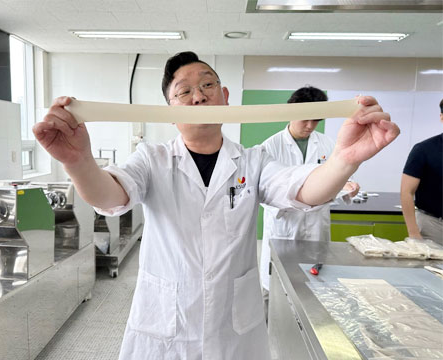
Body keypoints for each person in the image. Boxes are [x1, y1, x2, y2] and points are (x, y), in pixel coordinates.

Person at [33, 51, 399, 360]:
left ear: (224, 96)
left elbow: (303, 189)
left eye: (208, 86)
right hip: (165, 324)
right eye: (185, 91)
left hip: (233, 325)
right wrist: (79, 162)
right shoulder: (152, 159)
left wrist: (344, 160)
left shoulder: (252, 162)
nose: (199, 97)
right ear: (170, 109)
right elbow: (111, 197)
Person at [258, 86, 360, 304]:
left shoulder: (327, 144)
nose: (310, 126)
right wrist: (299, 201)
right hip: (284, 226)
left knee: (312, 293)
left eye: (316, 120)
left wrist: (345, 188)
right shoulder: (270, 146)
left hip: (315, 228)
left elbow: (333, 182)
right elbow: (264, 192)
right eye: (305, 119)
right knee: (277, 294)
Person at [401, 99, 443, 245]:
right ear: (441, 117)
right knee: (429, 268)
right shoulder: (423, 150)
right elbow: (406, 191)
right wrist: (413, 233)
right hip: (433, 226)